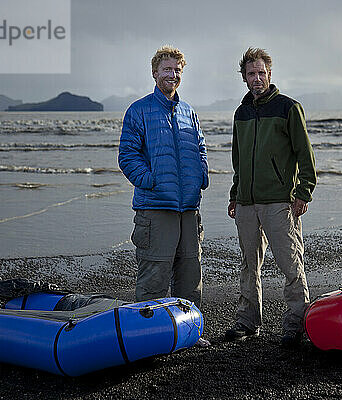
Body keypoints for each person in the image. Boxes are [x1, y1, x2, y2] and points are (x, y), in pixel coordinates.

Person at [225, 47, 317, 348]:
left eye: (261, 72)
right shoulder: (241, 113)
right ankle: (248, 321)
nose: (257, 78)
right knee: (248, 264)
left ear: (269, 74)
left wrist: (303, 192)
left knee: (290, 264)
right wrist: (235, 195)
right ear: (244, 77)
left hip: (279, 201)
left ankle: (296, 322)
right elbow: (238, 160)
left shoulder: (288, 108)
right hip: (247, 204)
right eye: (251, 73)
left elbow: (305, 153)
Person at [118, 46, 210, 346]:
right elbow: (128, 156)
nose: (173, 75)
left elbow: (201, 148)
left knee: (190, 275)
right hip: (156, 209)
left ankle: (189, 333)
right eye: (167, 69)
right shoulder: (138, 111)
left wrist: (201, 177)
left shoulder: (188, 112)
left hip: (189, 210)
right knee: (154, 277)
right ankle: (145, 338)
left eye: (177, 70)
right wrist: (151, 181)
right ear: (155, 72)